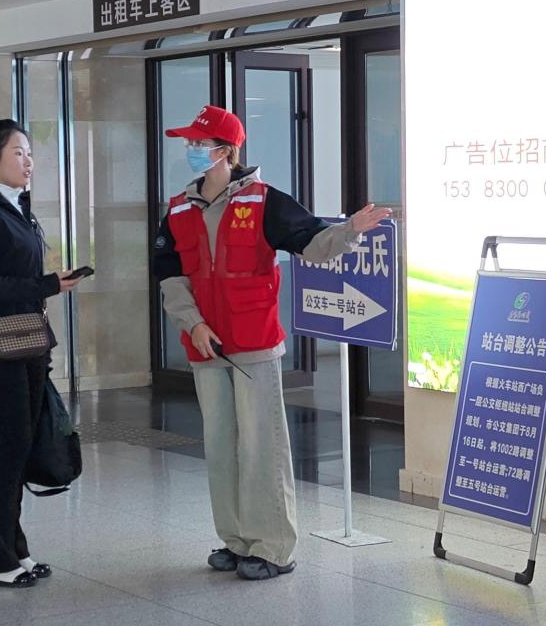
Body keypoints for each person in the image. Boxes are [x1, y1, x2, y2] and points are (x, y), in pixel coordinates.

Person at [153, 104, 391, 581]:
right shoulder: (178, 209)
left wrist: (350, 231)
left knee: (262, 446)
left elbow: (312, 242)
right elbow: (170, 276)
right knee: (221, 445)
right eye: (190, 143)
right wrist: (193, 324)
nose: (192, 150)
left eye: (200, 144)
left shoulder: (265, 201)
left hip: (253, 344)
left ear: (226, 151)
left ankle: (273, 547)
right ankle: (236, 540)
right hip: (205, 345)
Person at [0, 119, 85, 589]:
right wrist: (47, 285)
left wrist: (49, 284)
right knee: (9, 451)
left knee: (20, 448)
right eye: (18, 153)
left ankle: (12, 549)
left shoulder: (15, 208)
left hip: (26, 343)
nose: (28, 162)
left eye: (29, 153)